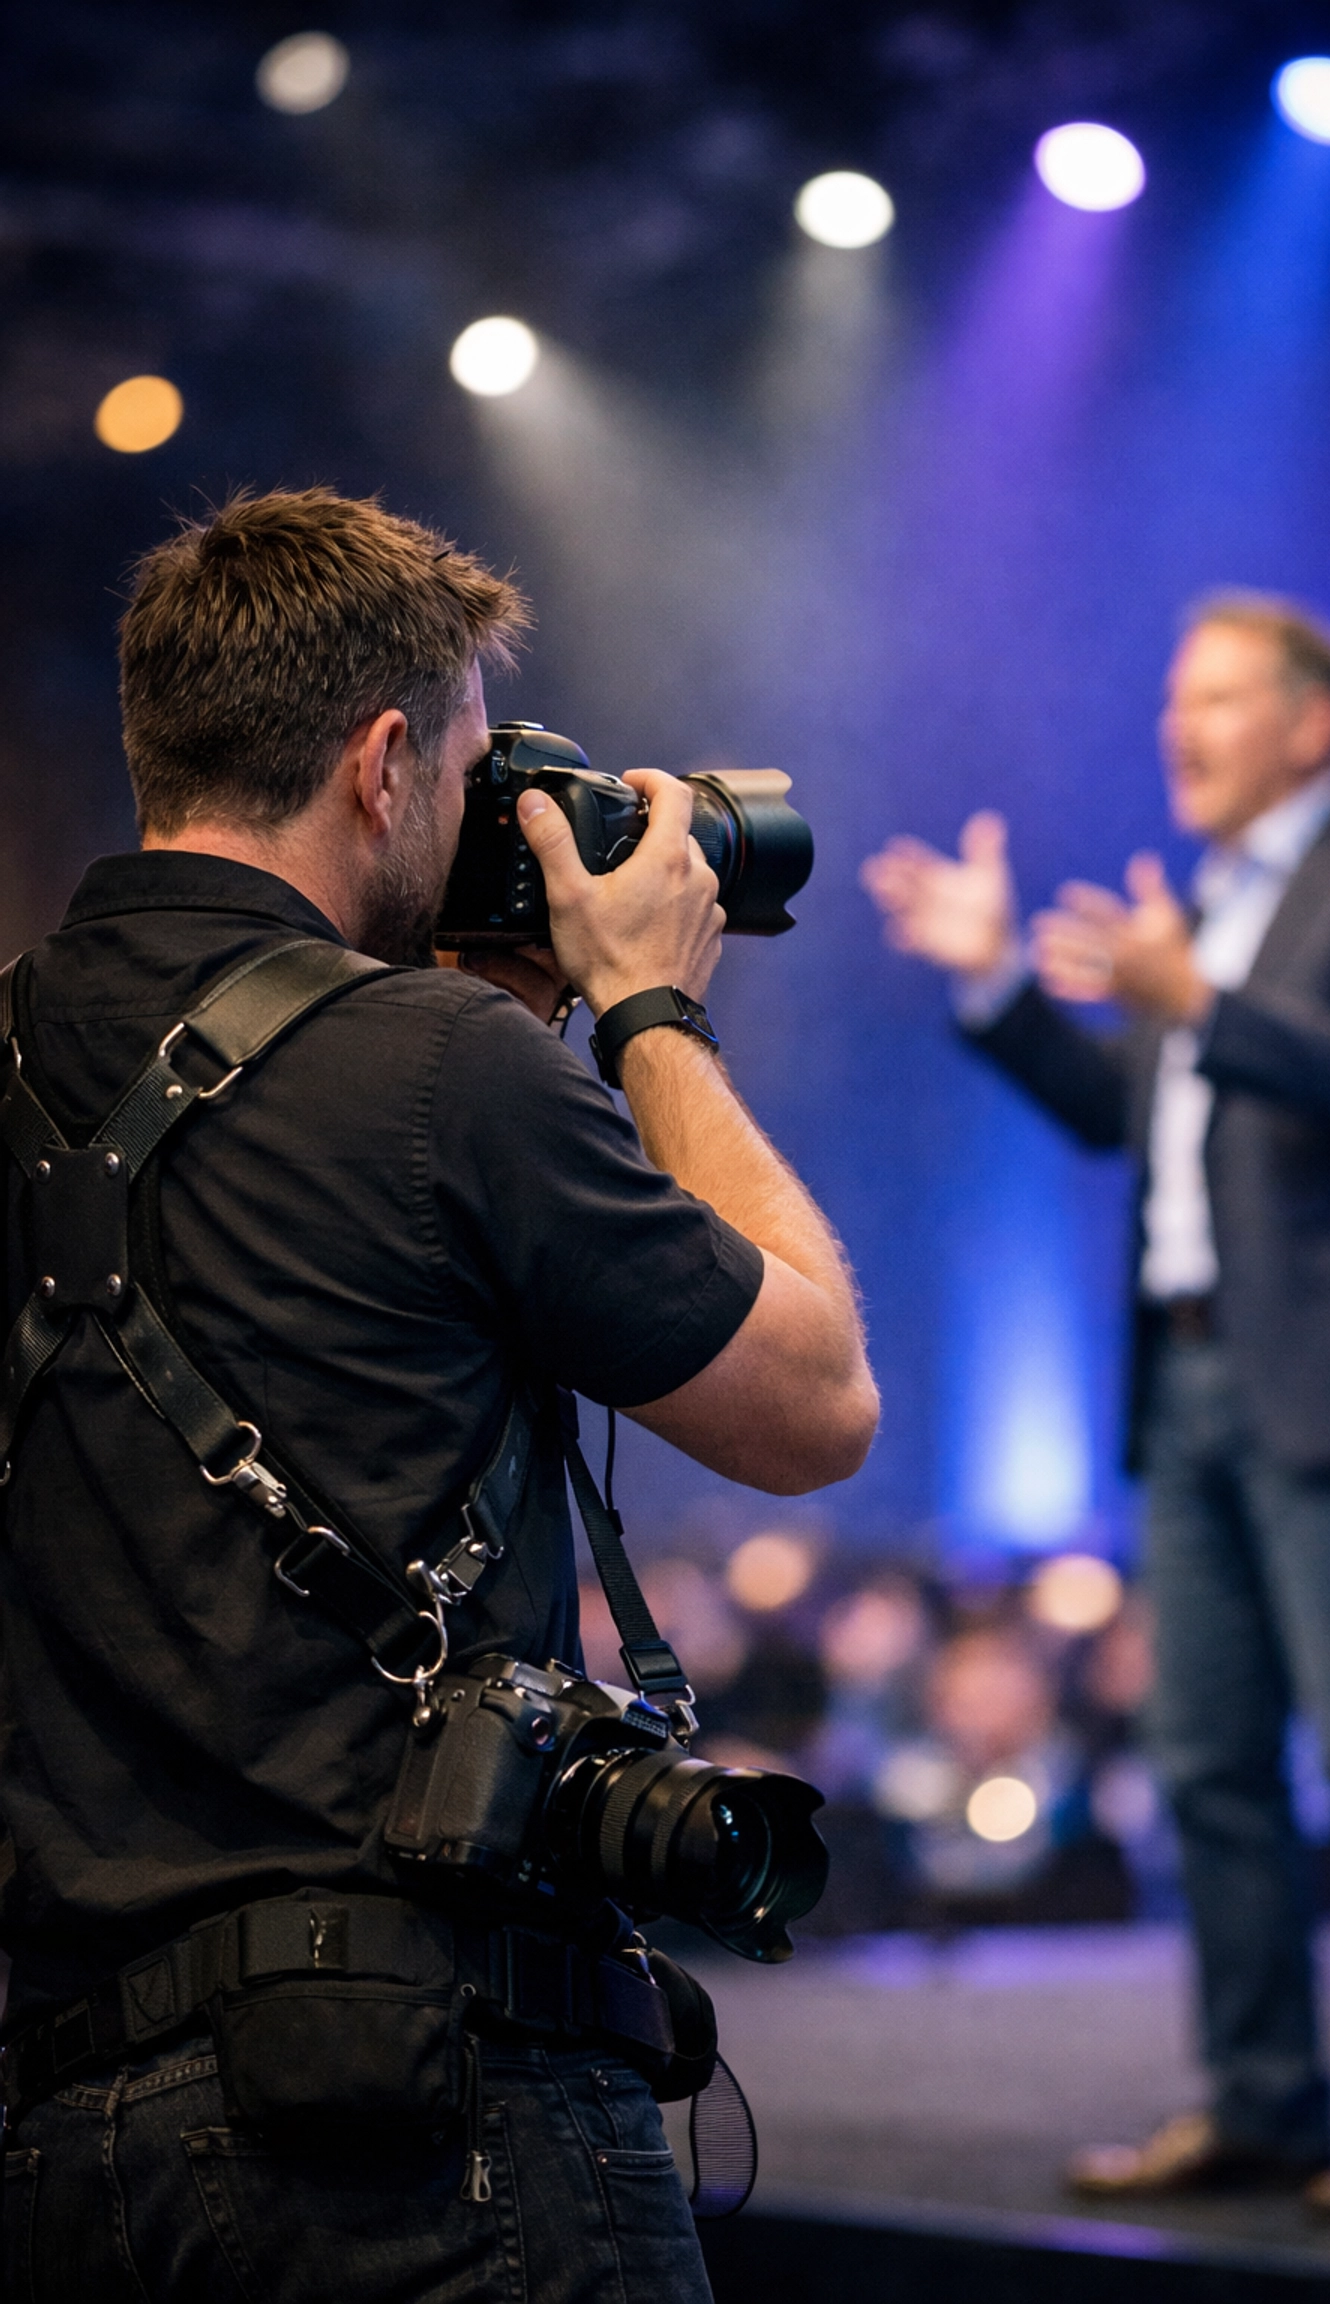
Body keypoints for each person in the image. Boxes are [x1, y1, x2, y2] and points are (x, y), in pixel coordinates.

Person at [0, 487, 878, 2301]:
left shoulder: (16, 1040)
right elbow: (812, 1404)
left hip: (63, 2133)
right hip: (431, 2123)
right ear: (385, 763)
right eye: (479, 770)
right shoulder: (439, 1067)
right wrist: (645, 1014)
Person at [862, 592, 1330, 2214]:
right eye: (1175, 697)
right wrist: (1000, 981)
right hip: (1195, 1376)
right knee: (1212, 1759)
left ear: (1311, 722)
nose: (1181, 725)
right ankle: (1266, 2102)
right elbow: (1116, 1114)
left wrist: (1199, 1003)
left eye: (1219, 696)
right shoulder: (1208, 908)